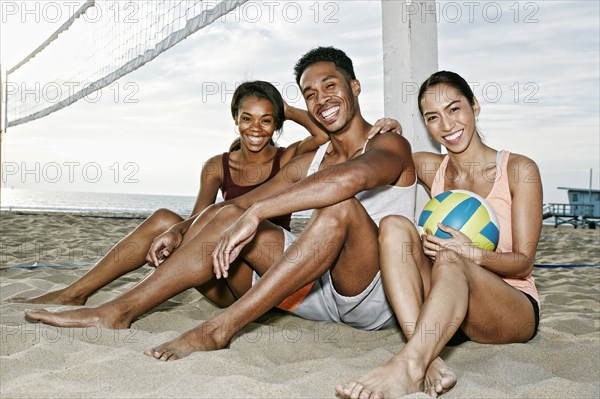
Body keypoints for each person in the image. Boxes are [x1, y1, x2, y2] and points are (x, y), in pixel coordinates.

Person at [24, 47, 417, 364]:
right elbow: (244, 201)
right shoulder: (310, 161)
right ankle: (118, 311)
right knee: (229, 212)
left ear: (355, 86)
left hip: (371, 297)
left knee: (340, 207)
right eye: (309, 94)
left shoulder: (389, 144)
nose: (320, 99)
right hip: (313, 294)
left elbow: (354, 178)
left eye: (329, 86)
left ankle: (219, 329)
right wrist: (182, 227)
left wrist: (258, 213)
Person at [11, 80, 398, 307]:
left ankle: (119, 304)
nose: (256, 128)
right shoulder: (217, 164)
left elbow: (323, 133)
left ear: (276, 124)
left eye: (266, 120)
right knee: (167, 218)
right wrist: (174, 235)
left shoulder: (290, 157)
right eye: (247, 118)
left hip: (257, 270)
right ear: (235, 120)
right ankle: (75, 293)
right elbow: (200, 215)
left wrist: (286, 107)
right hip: (215, 268)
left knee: (229, 216)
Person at [336, 71, 542, 398]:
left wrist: (473, 254)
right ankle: (428, 359)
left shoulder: (518, 170)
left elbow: (523, 264)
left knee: (449, 255)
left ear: (474, 106)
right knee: (393, 225)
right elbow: (370, 161)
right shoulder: (430, 167)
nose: (446, 125)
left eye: (454, 109)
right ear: (427, 125)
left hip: (508, 306)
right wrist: (388, 136)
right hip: (447, 308)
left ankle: (410, 365)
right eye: (433, 117)